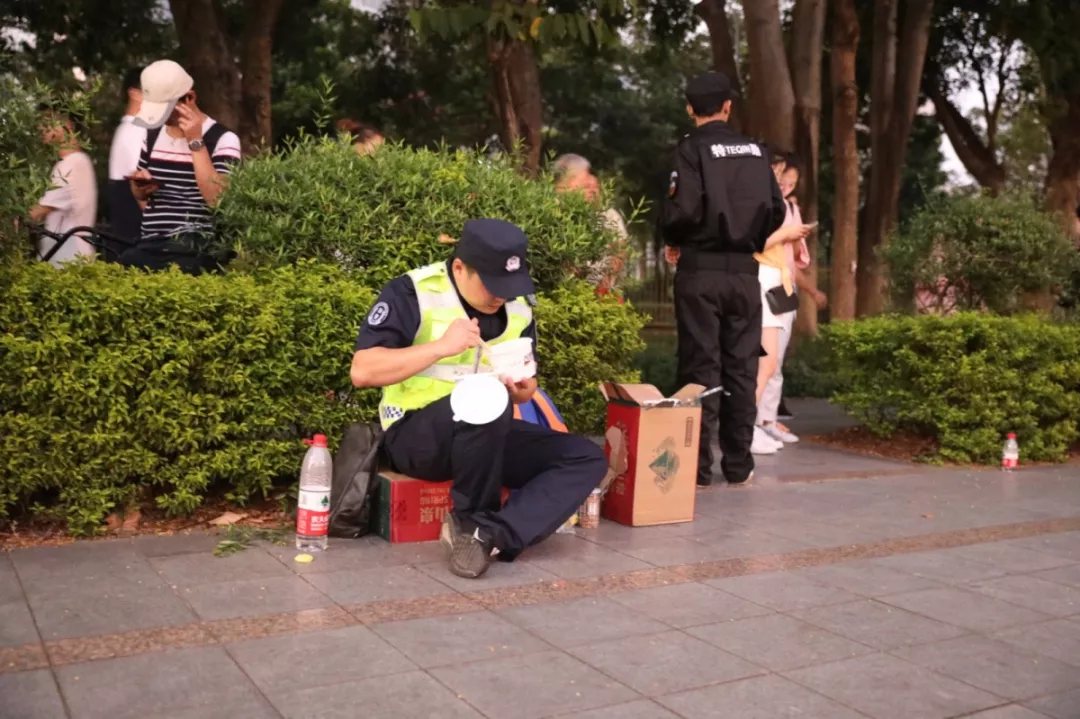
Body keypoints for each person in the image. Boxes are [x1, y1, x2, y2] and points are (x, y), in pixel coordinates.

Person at [350, 219, 606, 578]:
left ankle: (488, 534)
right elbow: (362, 371)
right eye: (492, 284)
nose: (500, 296)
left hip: (488, 437)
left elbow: (528, 385)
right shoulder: (414, 292)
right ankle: (470, 516)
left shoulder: (519, 308)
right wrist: (441, 347)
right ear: (459, 268)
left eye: (509, 286)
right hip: (418, 436)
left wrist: (522, 390)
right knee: (487, 398)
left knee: (585, 457)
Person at [659, 71, 788, 487]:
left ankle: (696, 468)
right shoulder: (755, 151)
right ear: (728, 106)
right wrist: (748, 239)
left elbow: (682, 211)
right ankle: (738, 463)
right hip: (745, 275)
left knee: (700, 367)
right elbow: (776, 209)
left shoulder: (689, 150)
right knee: (741, 367)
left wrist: (674, 240)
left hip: (700, 272)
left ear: (689, 109)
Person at [128, 60, 241, 248]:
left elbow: (218, 200)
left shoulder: (223, 139)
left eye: (166, 109)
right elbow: (138, 195)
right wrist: (140, 187)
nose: (161, 117)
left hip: (196, 247)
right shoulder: (152, 135)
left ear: (189, 98)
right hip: (151, 243)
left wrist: (195, 142)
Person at [552, 153, 630, 296]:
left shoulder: (609, 216)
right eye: (586, 185)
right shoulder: (550, 211)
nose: (592, 191)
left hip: (602, 293)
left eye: (595, 186)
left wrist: (604, 286)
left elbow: (620, 249)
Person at [30, 107, 97, 267]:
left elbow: (38, 212)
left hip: (67, 257)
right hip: (66, 254)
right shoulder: (77, 162)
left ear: (67, 124)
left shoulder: (72, 164)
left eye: (47, 121)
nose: (40, 128)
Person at [107, 67, 147, 242]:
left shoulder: (127, 129)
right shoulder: (136, 130)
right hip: (137, 233)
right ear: (135, 93)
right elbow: (139, 181)